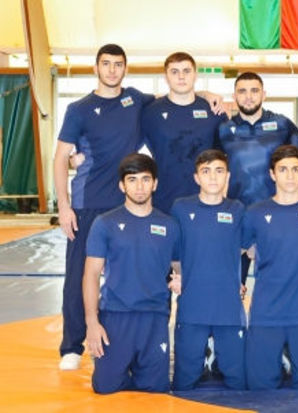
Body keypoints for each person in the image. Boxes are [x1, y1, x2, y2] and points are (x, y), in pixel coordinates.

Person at [53, 44, 221, 370]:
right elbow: (61, 157)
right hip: (89, 203)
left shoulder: (135, 100)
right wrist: (64, 204)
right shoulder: (79, 108)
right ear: (96, 68)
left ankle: (138, 339)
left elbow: (177, 92)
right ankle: (71, 345)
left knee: (132, 275)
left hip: (130, 202)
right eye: (106, 64)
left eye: (118, 64)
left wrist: (206, 93)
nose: (112, 70)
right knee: (80, 275)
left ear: (125, 69)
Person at [83, 153, 181, 394]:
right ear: (122, 185)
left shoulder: (169, 225)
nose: (139, 187)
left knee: (155, 389)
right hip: (116, 316)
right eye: (132, 180)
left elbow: (179, 268)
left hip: (154, 317)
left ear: (155, 184)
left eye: (145, 179)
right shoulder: (105, 223)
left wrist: (182, 278)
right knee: (105, 387)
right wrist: (92, 323)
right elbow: (91, 275)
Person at [242, 145, 298, 390]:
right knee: (260, 390)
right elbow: (243, 251)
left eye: (295, 169)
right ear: (272, 174)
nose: (290, 175)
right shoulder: (255, 213)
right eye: (283, 169)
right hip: (266, 312)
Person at [170, 149, 246, 390]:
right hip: (193, 305)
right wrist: (179, 275)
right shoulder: (181, 208)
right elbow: (174, 252)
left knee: (238, 380)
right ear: (196, 177)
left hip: (228, 307)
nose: (213, 177)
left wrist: (236, 279)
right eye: (206, 171)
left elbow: (247, 248)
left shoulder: (238, 209)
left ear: (228, 176)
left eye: (219, 171)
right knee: (184, 382)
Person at [218, 72, 298, 285]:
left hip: (276, 217)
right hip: (237, 216)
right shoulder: (224, 129)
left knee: (276, 285)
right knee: (234, 286)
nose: (248, 97)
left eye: (254, 91)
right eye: (242, 91)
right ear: (234, 96)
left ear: (264, 94)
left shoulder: (282, 125)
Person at [142, 52, 228, 213]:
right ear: (166, 77)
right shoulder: (150, 113)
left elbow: (224, 160)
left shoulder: (214, 111)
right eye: (174, 72)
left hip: (206, 201)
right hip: (164, 201)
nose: (181, 77)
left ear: (195, 75)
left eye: (186, 71)